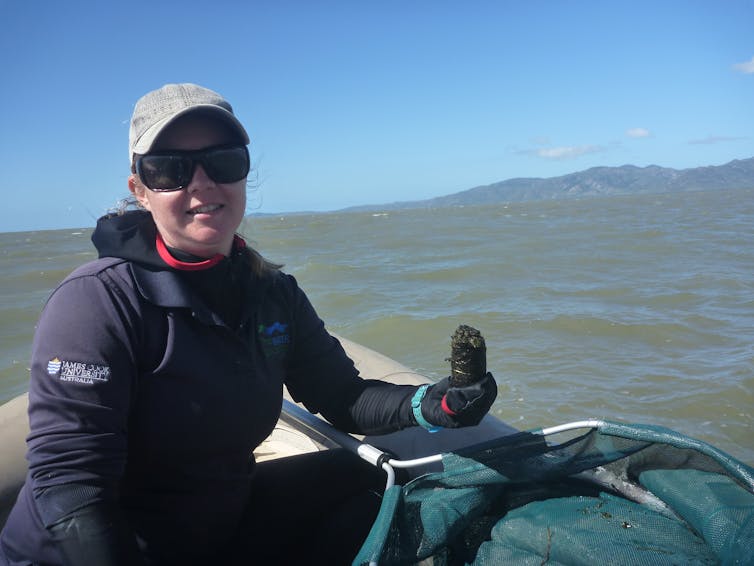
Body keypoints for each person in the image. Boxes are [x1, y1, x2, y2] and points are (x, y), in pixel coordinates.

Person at [0, 83, 497, 566]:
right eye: (168, 169)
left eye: (223, 161)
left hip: (215, 525)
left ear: (244, 174)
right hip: (105, 548)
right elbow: (72, 490)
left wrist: (437, 404)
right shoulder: (97, 300)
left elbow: (342, 396)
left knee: (360, 478)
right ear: (141, 191)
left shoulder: (273, 294)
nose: (200, 183)